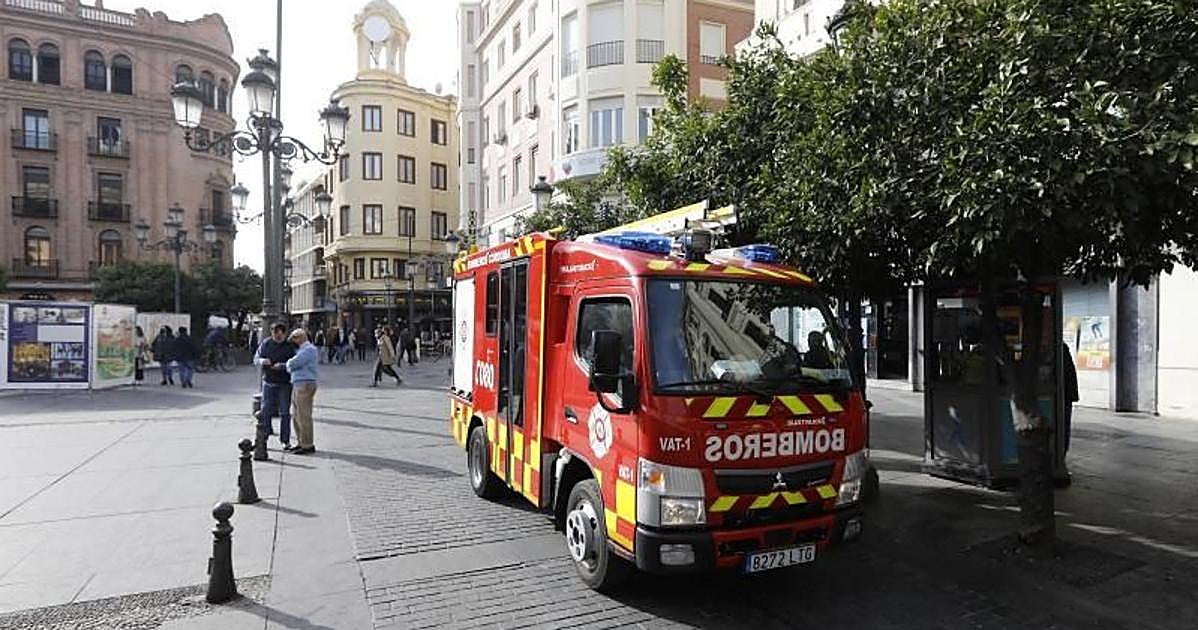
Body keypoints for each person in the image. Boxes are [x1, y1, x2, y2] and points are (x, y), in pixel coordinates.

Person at [254, 323, 297, 449]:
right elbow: (256, 358)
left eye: (280, 334)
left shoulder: (290, 346)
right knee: (265, 410)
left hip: (284, 383)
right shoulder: (266, 343)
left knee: (284, 412)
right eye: (274, 333)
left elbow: (295, 363)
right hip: (268, 382)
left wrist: (283, 366)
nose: (277, 336)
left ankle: (285, 440)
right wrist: (262, 361)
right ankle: (264, 435)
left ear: (284, 334)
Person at [285, 329, 319, 454]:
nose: (292, 340)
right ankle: (300, 442)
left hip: (305, 384)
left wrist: (289, 364)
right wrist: (290, 365)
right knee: (296, 416)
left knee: (304, 416)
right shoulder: (301, 350)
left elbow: (294, 363)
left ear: (301, 337)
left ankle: (307, 444)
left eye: (294, 338)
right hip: (298, 383)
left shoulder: (309, 349)